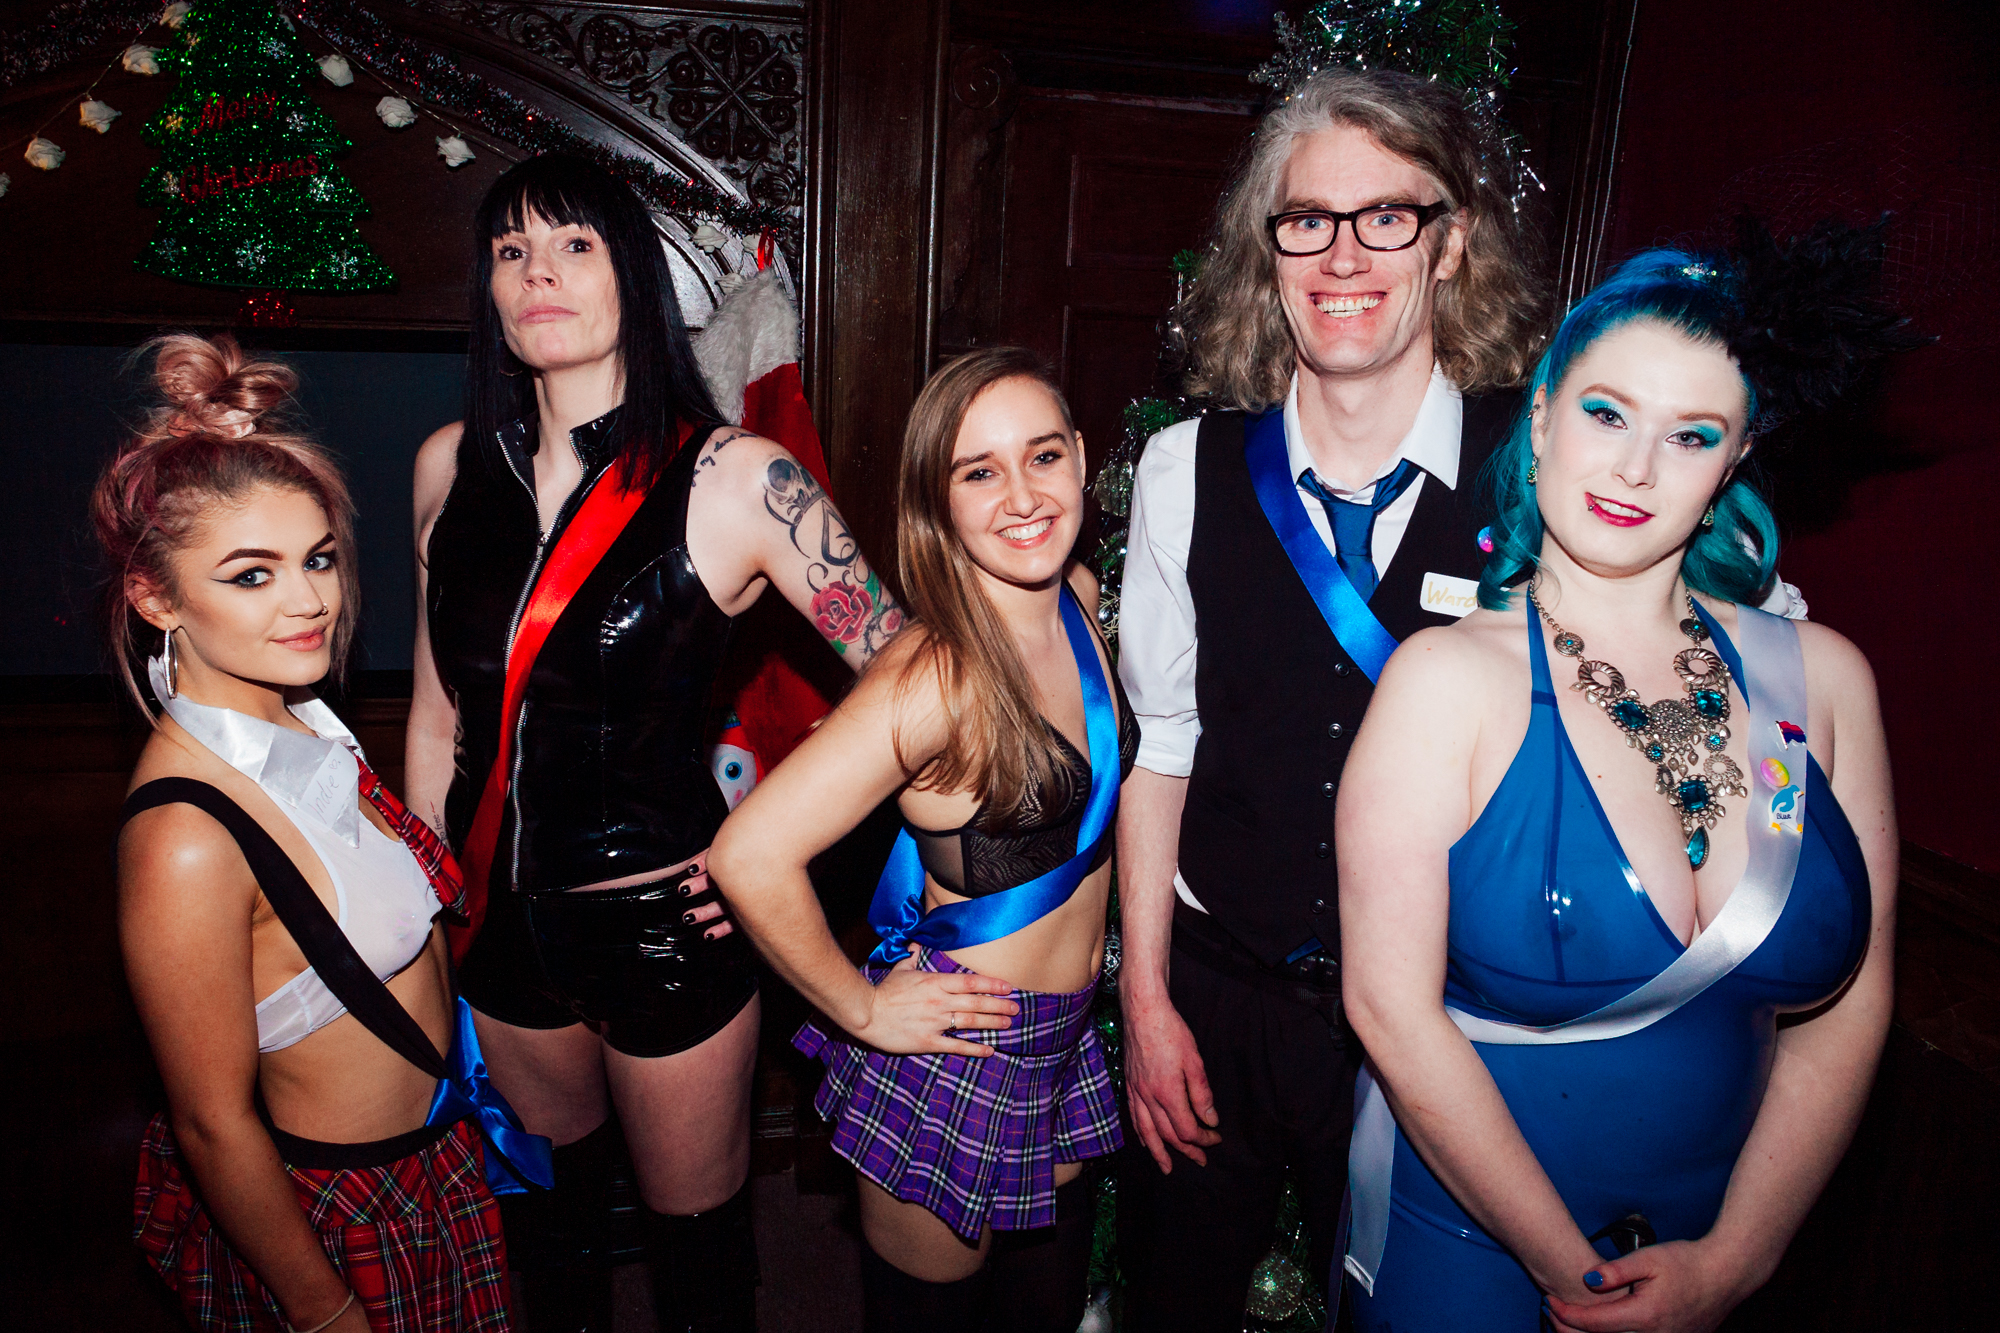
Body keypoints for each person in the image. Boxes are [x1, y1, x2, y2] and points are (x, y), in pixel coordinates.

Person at [1336, 233, 1905, 1332]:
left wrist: (1735, 1262)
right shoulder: (1442, 683)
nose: (1637, 469)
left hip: (1720, 1255)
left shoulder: (1824, 679)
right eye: (1606, 414)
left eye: (1689, 435)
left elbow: (1853, 1007)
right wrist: (1576, 1280)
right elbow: (1388, 1012)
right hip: (1469, 1250)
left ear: (1733, 463)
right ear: (1542, 415)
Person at [406, 153, 900, 1333]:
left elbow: (911, 679)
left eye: (573, 245)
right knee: (553, 1243)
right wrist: (427, 918)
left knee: (698, 1260)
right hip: (495, 931)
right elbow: (435, 718)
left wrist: (788, 861)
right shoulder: (444, 465)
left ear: (632, 272)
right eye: (512, 250)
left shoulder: (737, 477)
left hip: (666, 933)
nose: (538, 272)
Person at [1112, 67, 1567, 1326]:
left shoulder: (1537, 468)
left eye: (1386, 216)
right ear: (1268, 254)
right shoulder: (1183, 470)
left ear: (1448, 244)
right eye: (1306, 219)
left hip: (1440, 1019)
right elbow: (1162, 745)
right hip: (1218, 997)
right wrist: (1143, 1003)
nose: (1343, 254)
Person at [710, 348, 1130, 1333]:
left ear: (1080, 459)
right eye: (979, 472)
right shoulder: (933, 674)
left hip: (1065, 1040)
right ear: (938, 502)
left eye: (1043, 456)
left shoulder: (1078, 596)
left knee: (1043, 1312)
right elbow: (748, 854)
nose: (1022, 496)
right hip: (959, 1050)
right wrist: (862, 1008)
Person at [102, 334, 513, 1333]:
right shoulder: (187, 834)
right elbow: (210, 1122)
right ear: (157, 597)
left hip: (437, 1161)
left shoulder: (311, 728)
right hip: (339, 1213)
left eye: (318, 558)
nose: (310, 600)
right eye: (252, 575)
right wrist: (324, 1310)